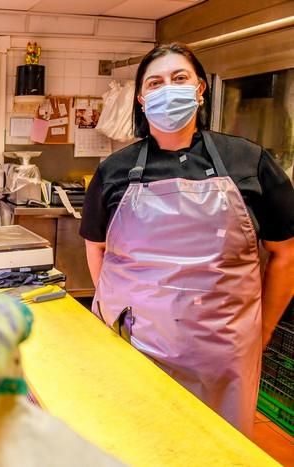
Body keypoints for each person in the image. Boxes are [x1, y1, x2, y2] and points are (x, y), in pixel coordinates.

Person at [80, 42, 294, 437]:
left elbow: (286, 254)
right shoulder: (114, 169)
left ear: (200, 90)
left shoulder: (248, 161)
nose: (168, 89)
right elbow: (97, 249)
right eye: (156, 82)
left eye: (180, 78)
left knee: (216, 447)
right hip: (134, 346)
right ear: (142, 99)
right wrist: (118, 313)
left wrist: (260, 331)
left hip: (224, 352)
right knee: (134, 442)